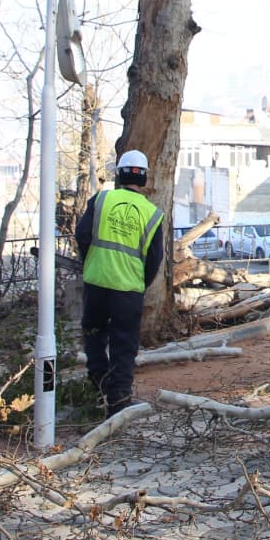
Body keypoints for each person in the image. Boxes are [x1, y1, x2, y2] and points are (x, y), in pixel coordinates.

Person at [74, 149, 165, 416]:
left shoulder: (101, 199)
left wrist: (90, 262)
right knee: (124, 345)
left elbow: (82, 235)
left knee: (94, 333)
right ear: (144, 177)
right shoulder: (152, 213)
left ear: (119, 174)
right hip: (129, 290)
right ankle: (118, 400)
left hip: (96, 282)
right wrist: (141, 283)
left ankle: (100, 385)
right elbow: (154, 259)